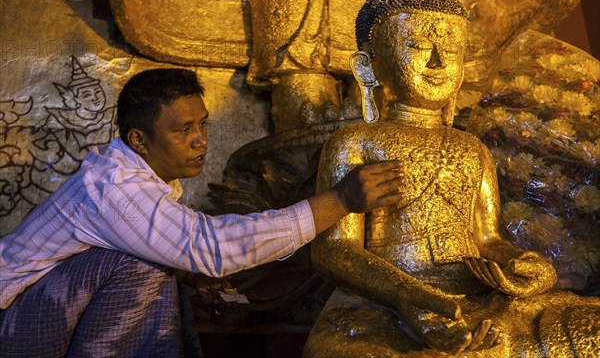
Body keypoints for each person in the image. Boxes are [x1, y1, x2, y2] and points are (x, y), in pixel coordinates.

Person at [303, 0, 600, 357]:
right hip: (384, 303)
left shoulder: (470, 147)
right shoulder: (354, 142)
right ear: (368, 68)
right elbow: (333, 249)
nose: (439, 63)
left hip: (474, 300)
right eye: (418, 46)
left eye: (452, 49)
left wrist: (521, 263)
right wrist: (407, 295)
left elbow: (486, 238)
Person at [0, 68, 406, 357]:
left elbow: (194, 252)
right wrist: (339, 201)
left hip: (34, 321)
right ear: (139, 139)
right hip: (10, 327)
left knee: (168, 269)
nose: (200, 141)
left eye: (203, 125)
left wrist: (190, 280)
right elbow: (209, 246)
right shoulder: (114, 188)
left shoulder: (134, 176)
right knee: (143, 266)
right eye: (182, 130)